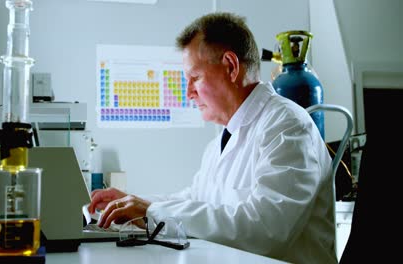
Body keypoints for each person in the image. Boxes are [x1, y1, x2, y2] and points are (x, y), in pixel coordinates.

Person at [89, 12, 336, 264]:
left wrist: (151, 212)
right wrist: (134, 202)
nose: (188, 93)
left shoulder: (287, 126)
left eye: (194, 78)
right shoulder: (220, 141)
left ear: (230, 66)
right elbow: (196, 200)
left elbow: (266, 230)